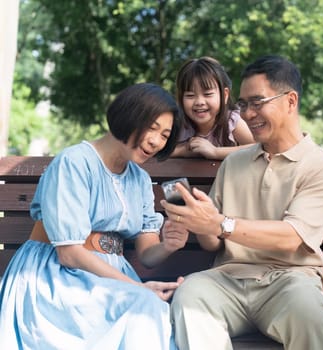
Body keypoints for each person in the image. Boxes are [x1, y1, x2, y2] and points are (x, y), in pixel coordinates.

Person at [162, 55, 323, 350]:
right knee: (191, 294)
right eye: (244, 104)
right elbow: (213, 243)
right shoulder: (234, 162)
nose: (248, 114)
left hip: (290, 281)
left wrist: (220, 223)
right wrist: (199, 220)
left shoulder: (322, 167)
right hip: (227, 280)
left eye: (257, 102)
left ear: (290, 101)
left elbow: (291, 238)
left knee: (308, 307)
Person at [0, 83, 189, 350]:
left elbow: (147, 254)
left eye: (165, 135)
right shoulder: (74, 162)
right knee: (145, 308)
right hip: (56, 277)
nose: (156, 141)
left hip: (109, 279)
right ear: (127, 116)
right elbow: (69, 253)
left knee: (152, 310)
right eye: (152, 127)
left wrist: (168, 245)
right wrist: (138, 289)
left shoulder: (140, 180)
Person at [171, 56, 254, 159]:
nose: (199, 102)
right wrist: (182, 150)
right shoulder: (178, 124)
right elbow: (155, 149)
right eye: (190, 96)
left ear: (224, 95)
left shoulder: (231, 122)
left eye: (207, 94)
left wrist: (215, 152)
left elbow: (260, 147)